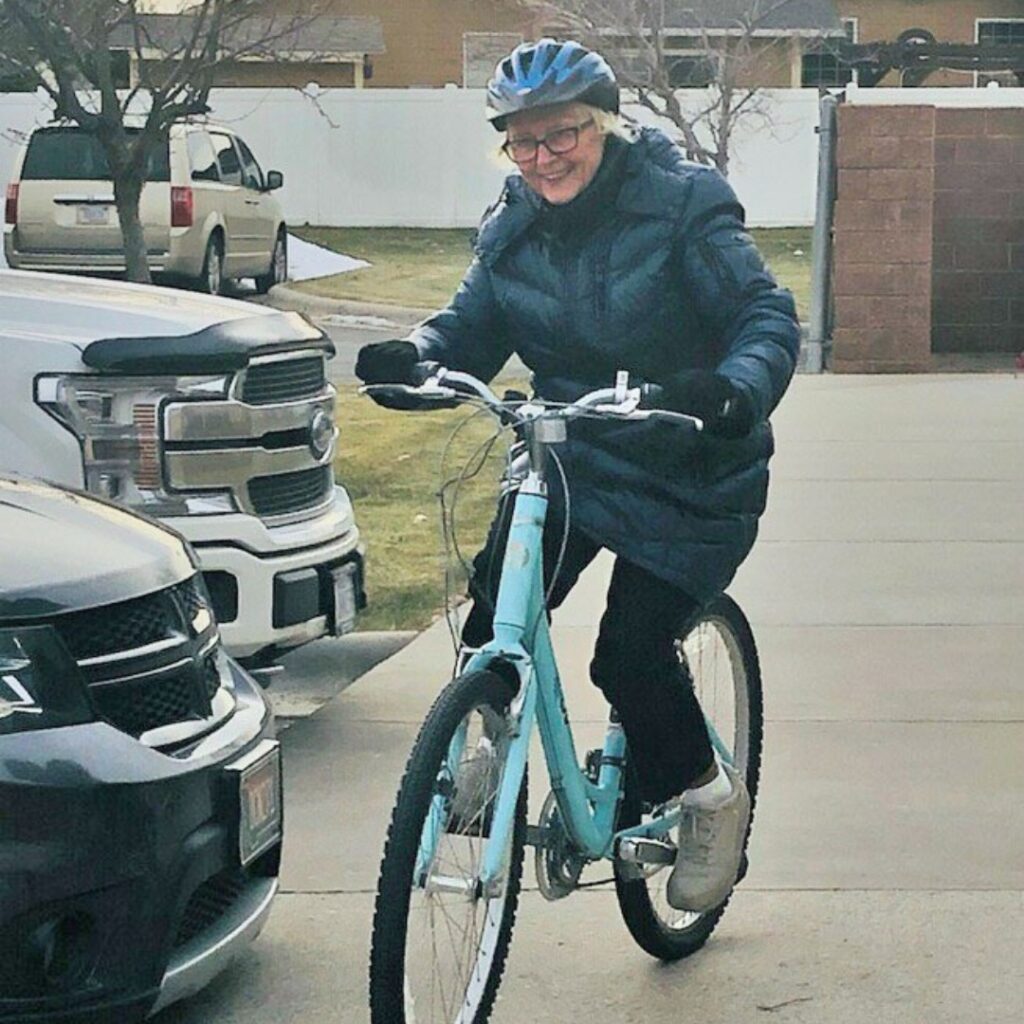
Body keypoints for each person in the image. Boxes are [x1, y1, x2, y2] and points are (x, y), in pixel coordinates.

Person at [355, 38, 800, 913]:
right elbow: (471, 325)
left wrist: (734, 390)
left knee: (628, 656)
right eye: (523, 142)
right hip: (578, 454)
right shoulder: (513, 222)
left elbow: (763, 314)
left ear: (602, 127)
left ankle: (712, 801)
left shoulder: (682, 208)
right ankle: (487, 748)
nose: (542, 158)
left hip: (691, 467)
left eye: (561, 135)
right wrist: (418, 356)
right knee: (493, 615)